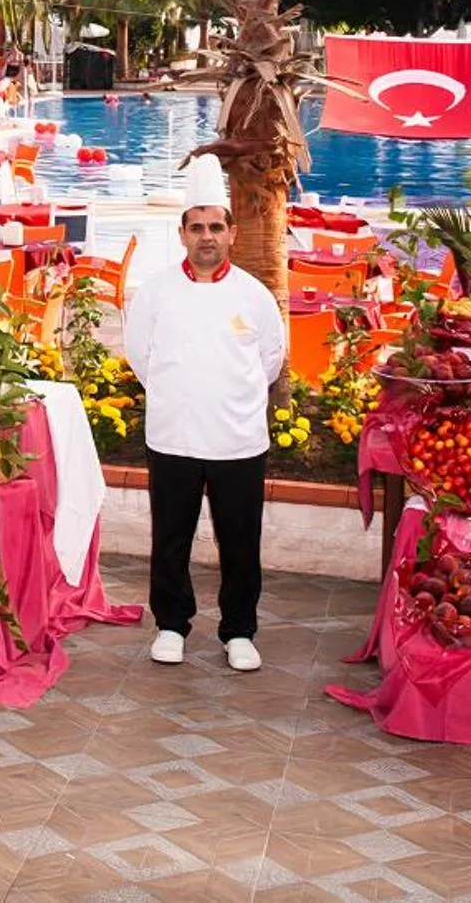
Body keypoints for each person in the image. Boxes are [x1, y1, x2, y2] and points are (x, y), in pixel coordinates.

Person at [122, 153, 285, 672]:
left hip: (238, 440)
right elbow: (139, 355)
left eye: (216, 225)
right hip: (172, 436)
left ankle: (239, 630)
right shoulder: (155, 292)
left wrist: (228, 398)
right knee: (170, 539)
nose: (207, 236)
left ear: (232, 233)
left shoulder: (254, 296)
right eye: (197, 227)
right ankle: (171, 624)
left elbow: (270, 360)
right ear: (182, 234)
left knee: (240, 542)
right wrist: (178, 393)